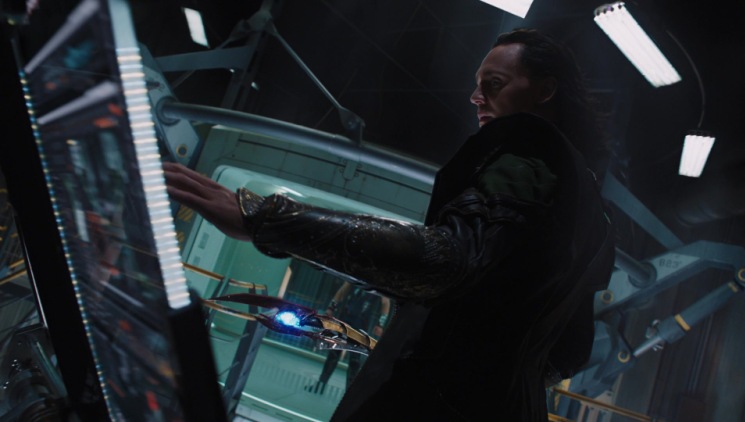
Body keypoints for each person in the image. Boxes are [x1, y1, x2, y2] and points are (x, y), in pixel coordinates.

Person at [164, 28, 615, 421]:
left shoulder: (528, 159)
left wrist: (265, 219)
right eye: (478, 85)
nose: (476, 97)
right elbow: (570, 349)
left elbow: (447, 261)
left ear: (545, 90)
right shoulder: (591, 209)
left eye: (493, 84)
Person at [305, 282, 391, 395]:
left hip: (360, 324)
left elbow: (385, 302)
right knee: (334, 354)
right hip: (346, 320)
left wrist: (381, 323)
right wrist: (331, 307)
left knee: (353, 360)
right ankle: (321, 385)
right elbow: (343, 289)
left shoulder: (376, 284)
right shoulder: (358, 280)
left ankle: (348, 393)